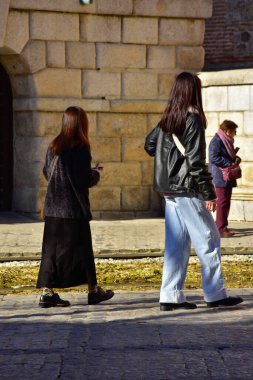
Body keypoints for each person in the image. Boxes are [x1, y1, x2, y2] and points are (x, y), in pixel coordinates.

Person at [144, 72, 243, 311]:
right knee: (209, 239)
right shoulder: (192, 119)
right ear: (193, 92)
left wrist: (170, 159)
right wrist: (209, 192)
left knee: (176, 245)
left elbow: (149, 146)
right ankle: (215, 294)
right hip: (188, 189)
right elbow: (195, 161)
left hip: (169, 191)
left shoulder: (167, 119)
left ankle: (170, 296)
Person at [36, 106, 114, 308]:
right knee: (83, 249)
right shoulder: (80, 148)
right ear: (81, 124)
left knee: (51, 251)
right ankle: (92, 290)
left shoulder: (53, 146)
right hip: (73, 209)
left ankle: (47, 292)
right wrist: (96, 173)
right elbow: (82, 180)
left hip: (54, 207)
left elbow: (47, 173)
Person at [209, 120, 241, 237]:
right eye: (234, 131)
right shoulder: (217, 141)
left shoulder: (226, 141)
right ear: (227, 131)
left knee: (225, 202)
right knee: (222, 202)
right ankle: (221, 229)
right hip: (220, 176)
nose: (235, 134)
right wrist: (230, 163)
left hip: (227, 176)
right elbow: (213, 158)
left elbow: (226, 156)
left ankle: (222, 226)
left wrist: (235, 158)